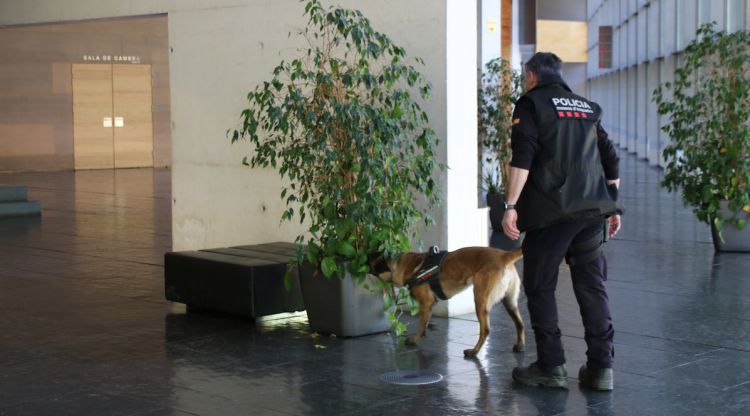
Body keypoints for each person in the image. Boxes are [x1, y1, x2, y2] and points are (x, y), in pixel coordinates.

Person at [501, 52, 624, 391]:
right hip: (590, 213)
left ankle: (551, 365)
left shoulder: (531, 104)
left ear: (530, 76)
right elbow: (610, 158)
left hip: (551, 213)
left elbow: (522, 156)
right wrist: (612, 207)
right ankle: (602, 368)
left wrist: (510, 205)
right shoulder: (586, 107)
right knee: (591, 286)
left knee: (540, 286)